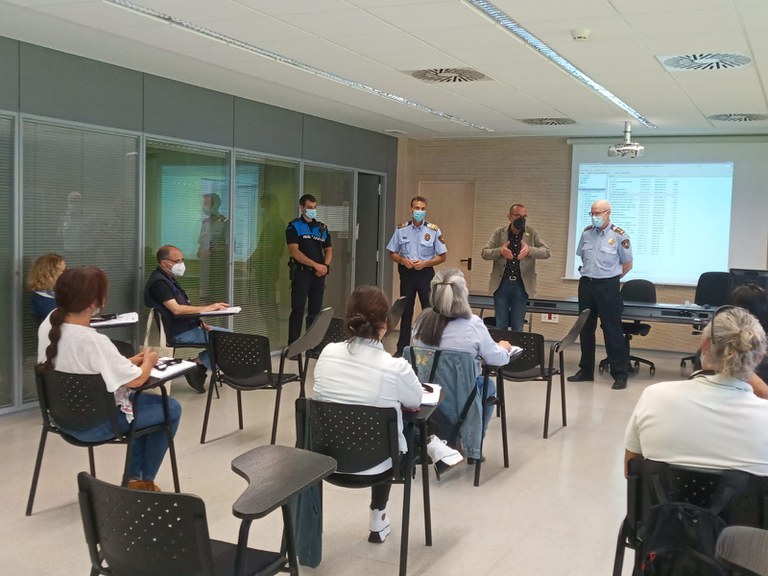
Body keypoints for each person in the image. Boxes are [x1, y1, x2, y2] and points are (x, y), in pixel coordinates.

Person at [313, 285, 461, 544]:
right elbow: (415, 402)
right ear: (385, 324)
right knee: (407, 422)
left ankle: (432, 444)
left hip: (326, 460)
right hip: (379, 462)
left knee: (377, 422)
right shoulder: (396, 366)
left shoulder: (327, 354)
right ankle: (428, 446)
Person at [38, 266, 182, 492]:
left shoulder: (49, 323)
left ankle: (137, 479)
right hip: (95, 425)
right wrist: (149, 360)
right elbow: (136, 381)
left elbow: (88, 366)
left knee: (146, 411)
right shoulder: (93, 341)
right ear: (94, 302)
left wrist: (129, 362)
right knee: (170, 408)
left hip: (59, 419)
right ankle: (140, 480)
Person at [624, 306, 768, 477]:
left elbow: (631, 471)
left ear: (705, 345)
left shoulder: (654, 397)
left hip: (663, 495)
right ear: (759, 358)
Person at [412, 268, 513, 447]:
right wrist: (504, 349)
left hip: (427, 395)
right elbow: (496, 359)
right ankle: (473, 443)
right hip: (461, 398)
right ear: (462, 295)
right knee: (488, 385)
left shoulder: (421, 322)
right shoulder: (472, 324)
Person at [143, 244, 229, 393]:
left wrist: (199, 321)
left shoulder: (169, 279)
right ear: (164, 263)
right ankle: (196, 365)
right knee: (227, 340)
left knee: (228, 337)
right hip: (179, 332)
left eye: (182, 260)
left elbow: (185, 306)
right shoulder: (159, 283)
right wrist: (207, 308)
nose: (181, 264)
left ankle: (196, 365)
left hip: (190, 326)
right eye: (177, 261)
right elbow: (176, 309)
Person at [568, 199, 633, 390]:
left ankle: (620, 374)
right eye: (592, 213)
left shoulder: (620, 235)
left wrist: (610, 279)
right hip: (587, 285)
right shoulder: (586, 233)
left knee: (612, 330)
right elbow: (583, 257)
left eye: (598, 213)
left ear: (608, 213)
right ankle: (586, 370)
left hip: (608, 286)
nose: (594, 216)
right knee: (585, 328)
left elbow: (627, 264)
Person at [387, 195, 447, 356]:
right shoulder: (401, 229)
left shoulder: (433, 230)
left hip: (425, 273)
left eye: (422, 209)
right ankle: (402, 349)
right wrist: (402, 260)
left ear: (425, 210)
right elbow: (391, 253)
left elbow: (442, 256)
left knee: (429, 311)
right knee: (406, 311)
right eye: (417, 208)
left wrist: (426, 263)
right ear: (411, 209)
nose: (419, 211)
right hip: (407, 273)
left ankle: (429, 348)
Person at [481, 203, 551, 330]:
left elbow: (546, 252)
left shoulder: (531, 232)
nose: (521, 219)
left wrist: (529, 250)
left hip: (521, 284)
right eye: (518, 216)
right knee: (501, 325)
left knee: (517, 326)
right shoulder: (499, 232)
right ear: (509, 217)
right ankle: (501, 344)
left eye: (524, 216)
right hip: (501, 283)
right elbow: (485, 253)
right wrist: (499, 251)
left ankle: (516, 344)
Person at [286, 194, 332, 344]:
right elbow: (294, 252)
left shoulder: (322, 228)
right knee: (298, 310)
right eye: (309, 207)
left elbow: (328, 249)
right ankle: (293, 347)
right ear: (302, 207)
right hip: (302, 274)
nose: (313, 210)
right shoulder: (293, 226)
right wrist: (314, 265)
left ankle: (313, 347)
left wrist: (325, 266)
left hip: (318, 275)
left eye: (314, 207)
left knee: (315, 312)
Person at [197, 192, 229, 301]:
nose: (204, 206)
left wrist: (213, 251)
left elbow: (228, 246)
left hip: (218, 263)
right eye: (204, 203)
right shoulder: (205, 222)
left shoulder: (225, 222)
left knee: (217, 292)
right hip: (205, 263)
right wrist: (200, 251)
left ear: (215, 205)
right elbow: (201, 243)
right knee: (206, 293)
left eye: (207, 203)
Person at [27, 253, 66, 324]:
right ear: (49, 274)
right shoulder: (43, 302)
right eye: (62, 271)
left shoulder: (54, 294)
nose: (66, 274)